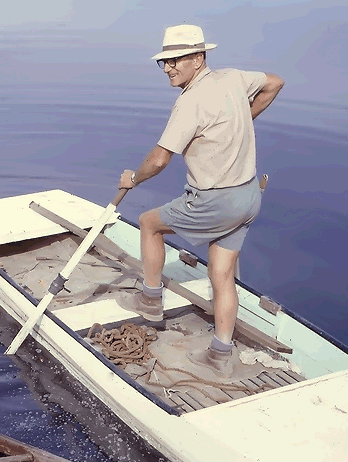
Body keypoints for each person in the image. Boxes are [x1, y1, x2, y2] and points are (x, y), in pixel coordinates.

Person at [116, 24, 284, 376]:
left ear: (198, 58)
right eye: (164, 61)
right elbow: (274, 82)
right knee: (220, 273)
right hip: (248, 198)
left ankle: (150, 301)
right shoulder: (234, 78)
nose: (168, 68)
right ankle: (221, 353)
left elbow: (160, 159)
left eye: (176, 60)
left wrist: (133, 178)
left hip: (214, 202)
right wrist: (241, 119)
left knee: (149, 223)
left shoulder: (189, 103)